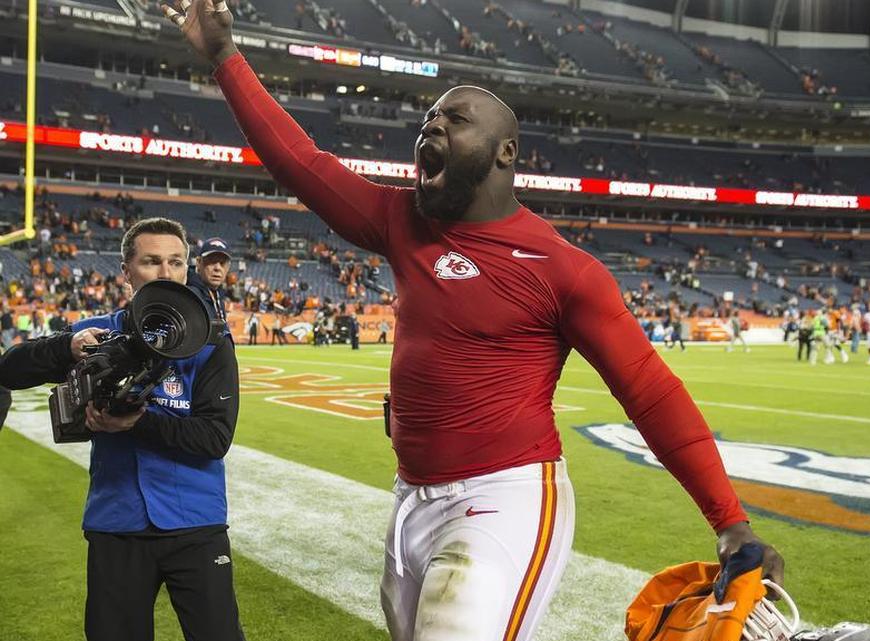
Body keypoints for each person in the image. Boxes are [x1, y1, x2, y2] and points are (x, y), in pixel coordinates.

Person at [163, 3, 783, 640]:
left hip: (504, 496)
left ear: (504, 152)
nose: (430, 131)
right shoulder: (404, 221)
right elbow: (303, 162)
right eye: (427, 120)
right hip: (410, 496)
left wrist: (729, 519)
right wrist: (224, 57)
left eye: (454, 121)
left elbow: (650, 393)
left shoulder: (562, 269)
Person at [0, 217, 244, 641]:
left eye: (176, 262)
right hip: (117, 521)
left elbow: (215, 439)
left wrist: (138, 422)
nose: (166, 273)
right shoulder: (99, 332)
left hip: (196, 523)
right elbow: (10, 369)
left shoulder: (212, 341)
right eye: (152, 261)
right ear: (126, 271)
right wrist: (65, 346)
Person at [187, 236, 231, 323]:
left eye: (222, 263)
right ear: (198, 263)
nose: (217, 268)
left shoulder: (217, 295)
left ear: (228, 268)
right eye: (212, 261)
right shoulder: (190, 296)